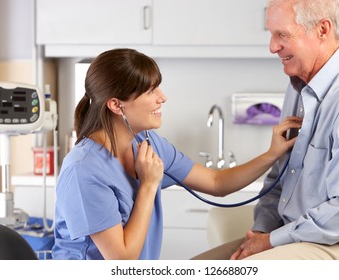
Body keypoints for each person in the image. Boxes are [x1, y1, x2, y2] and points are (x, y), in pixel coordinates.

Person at [51, 48, 301, 260]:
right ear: (117, 105)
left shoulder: (148, 145)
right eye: (150, 91)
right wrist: (148, 186)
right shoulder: (84, 169)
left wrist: (272, 154)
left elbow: (217, 183)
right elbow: (122, 260)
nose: (163, 97)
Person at [193, 0, 339, 260]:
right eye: (271, 34)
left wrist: (271, 241)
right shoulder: (298, 90)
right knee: (196, 267)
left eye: (282, 34)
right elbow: (279, 181)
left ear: (323, 30)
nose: (272, 47)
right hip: (295, 234)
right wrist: (259, 233)